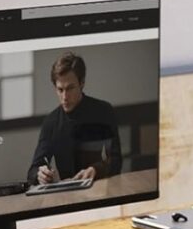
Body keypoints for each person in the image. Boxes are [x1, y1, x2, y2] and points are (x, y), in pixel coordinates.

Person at [27, 52, 122, 185]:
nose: (65, 97)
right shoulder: (51, 122)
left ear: (82, 83)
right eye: (60, 90)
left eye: (70, 88)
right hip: (66, 195)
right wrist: (40, 174)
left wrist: (95, 170)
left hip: (97, 186)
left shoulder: (104, 111)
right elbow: (32, 170)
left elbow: (116, 160)